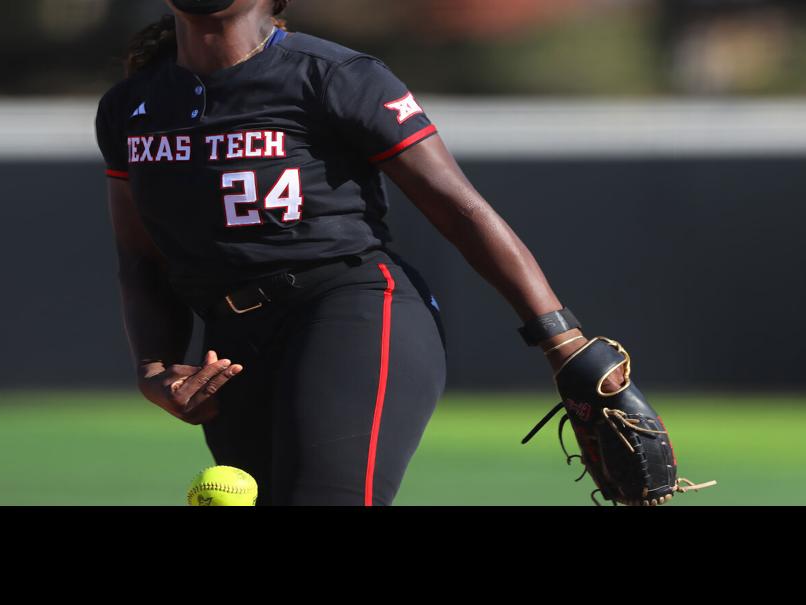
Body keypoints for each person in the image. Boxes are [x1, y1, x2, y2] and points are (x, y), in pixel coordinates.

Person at [98, 0, 634, 506]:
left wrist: (561, 340)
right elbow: (140, 257)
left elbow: (458, 208)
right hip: (232, 347)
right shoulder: (131, 105)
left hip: (348, 310)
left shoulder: (333, 74)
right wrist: (153, 368)